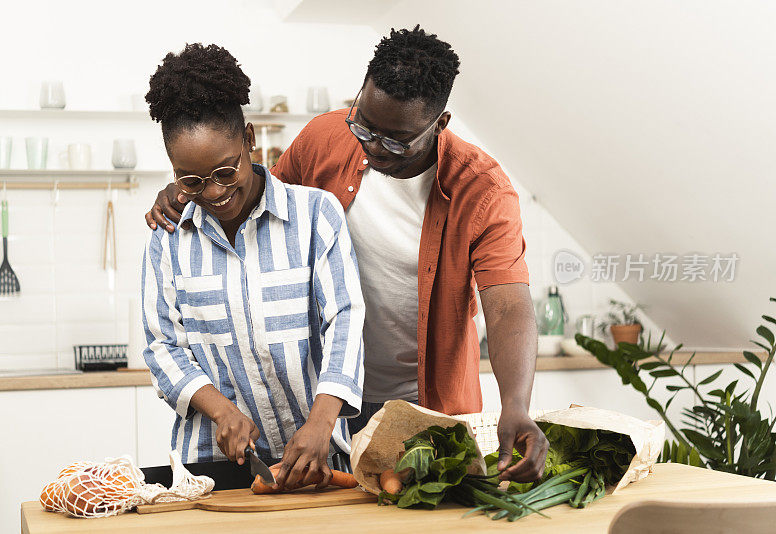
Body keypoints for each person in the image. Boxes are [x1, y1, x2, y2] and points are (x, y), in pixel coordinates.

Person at [145, 27, 548, 482]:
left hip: (421, 401)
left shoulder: (482, 190)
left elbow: (509, 304)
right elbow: (253, 201)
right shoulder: (325, 138)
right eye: (364, 126)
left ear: (440, 123)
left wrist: (515, 405)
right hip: (320, 402)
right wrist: (188, 188)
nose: (373, 146)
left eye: (395, 140)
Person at [141, 43, 364, 490]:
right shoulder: (169, 239)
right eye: (192, 180)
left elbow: (345, 320)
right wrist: (221, 411)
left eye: (226, 171)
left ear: (249, 139)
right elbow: (163, 346)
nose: (214, 192)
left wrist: (322, 423)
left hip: (317, 460)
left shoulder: (316, 215)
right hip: (211, 469)